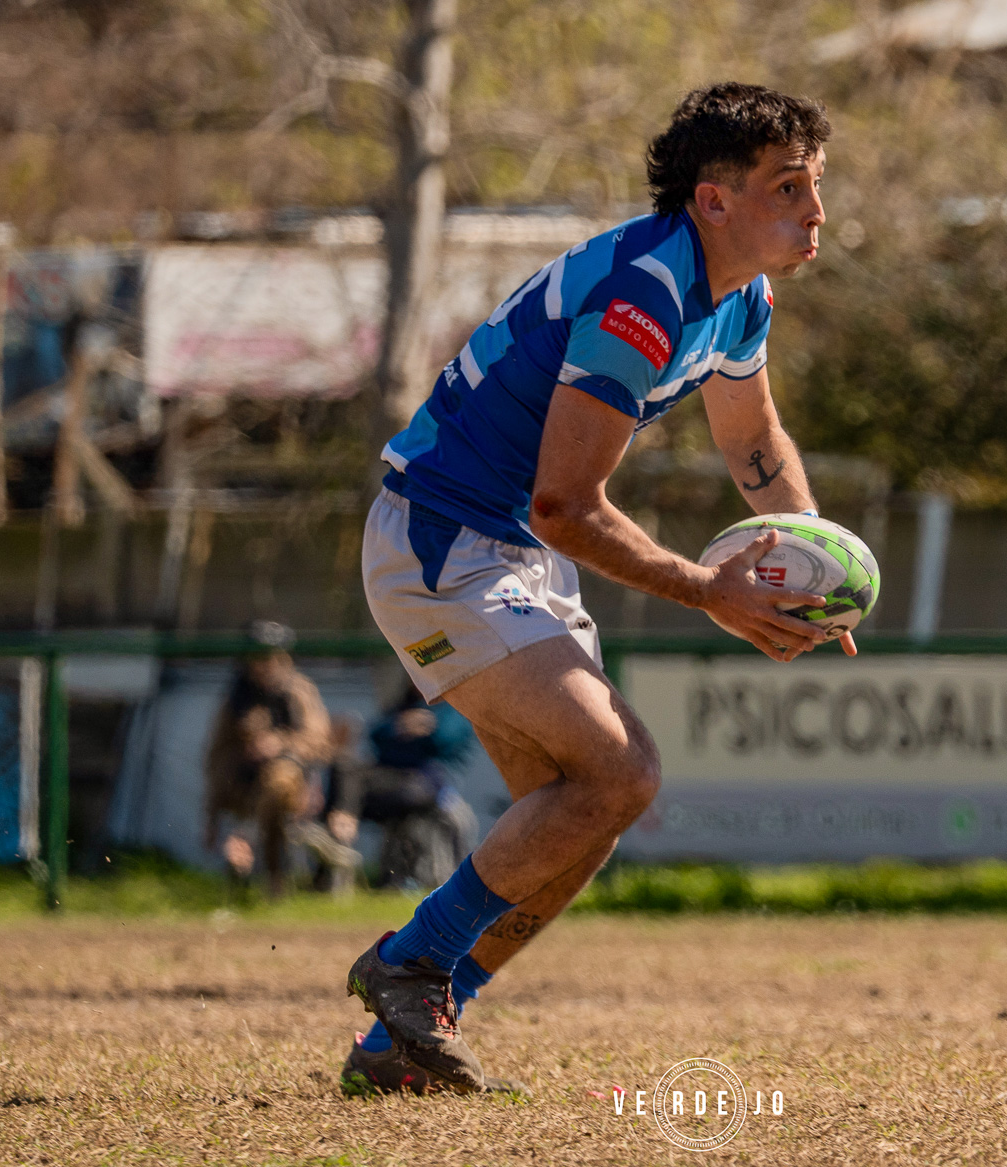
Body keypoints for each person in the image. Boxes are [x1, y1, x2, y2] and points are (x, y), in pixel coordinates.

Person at [342, 82, 850, 1098]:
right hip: (445, 543)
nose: (816, 211)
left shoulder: (738, 294)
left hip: (509, 553)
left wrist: (809, 565)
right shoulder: (643, 296)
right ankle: (406, 965)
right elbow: (568, 504)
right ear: (714, 201)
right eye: (788, 187)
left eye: (816, 185)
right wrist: (713, 590)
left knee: (577, 816)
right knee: (621, 774)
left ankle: (404, 1038)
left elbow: (753, 442)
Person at [204, 620, 337, 897]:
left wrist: (280, 743)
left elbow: (321, 743)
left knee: (279, 779)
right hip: (244, 783)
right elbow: (216, 752)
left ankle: (261, 859)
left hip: (292, 787)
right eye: (257, 657)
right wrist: (212, 813)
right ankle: (248, 865)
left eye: (271, 656)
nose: (264, 664)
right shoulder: (237, 696)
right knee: (247, 779)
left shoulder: (299, 692)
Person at [323, 685, 480, 890]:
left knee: (347, 787)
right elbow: (375, 734)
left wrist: (426, 727)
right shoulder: (404, 705)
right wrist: (399, 726)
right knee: (342, 766)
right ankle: (343, 824)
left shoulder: (453, 708)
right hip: (387, 779)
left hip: (425, 783)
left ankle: (339, 834)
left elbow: (445, 739)